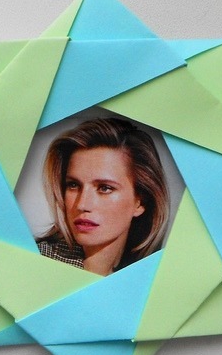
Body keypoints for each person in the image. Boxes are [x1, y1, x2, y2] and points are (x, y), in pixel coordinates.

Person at [37, 117, 169, 276]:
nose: (82, 204)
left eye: (105, 188)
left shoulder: (152, 276)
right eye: (73, 185)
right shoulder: (37, 261)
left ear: (140, 202)